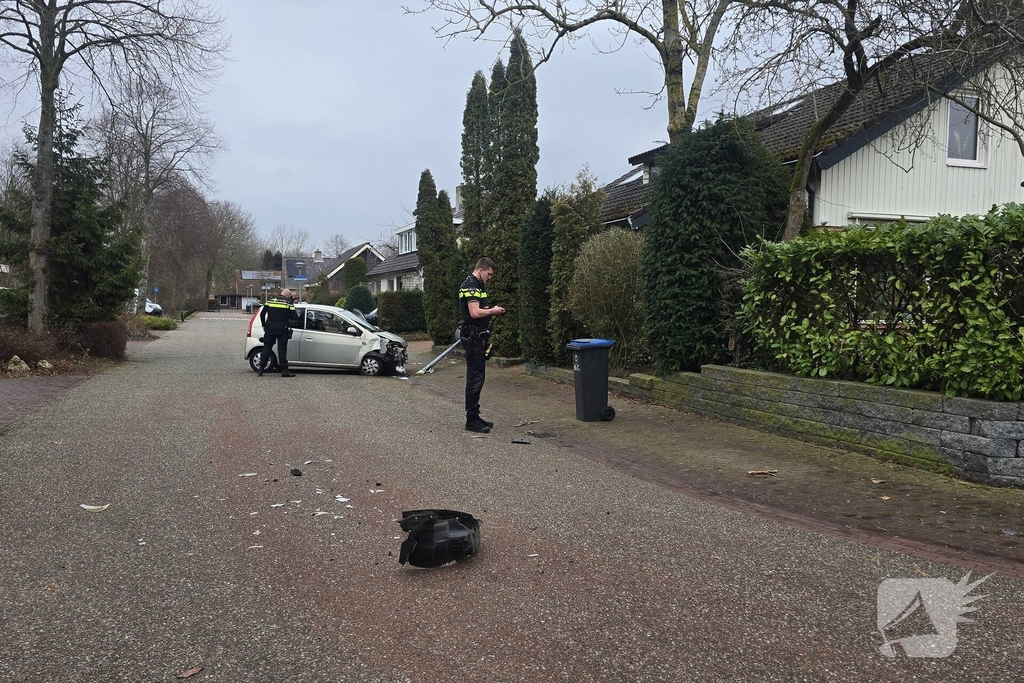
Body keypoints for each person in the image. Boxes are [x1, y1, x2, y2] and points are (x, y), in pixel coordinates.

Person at [458, 257, 505, 433]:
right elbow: (475, 312)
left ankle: (475, 416)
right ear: (481, 270)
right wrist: (493, 311)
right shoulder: (471, 285)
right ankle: (471, 420)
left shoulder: (476, 285)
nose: (489, 278)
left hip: (477, 336)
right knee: (475, 378)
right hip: (473, 337)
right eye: (489, 274)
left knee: (477, 377)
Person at [258, 288, 301, 377]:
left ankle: (261, 368)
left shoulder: (270, 301)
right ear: (288, 295)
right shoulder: (288, 303)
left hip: (270, 328)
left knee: (267, 348)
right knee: (282, 350)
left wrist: (264, 325)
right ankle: (284, 371)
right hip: (282, 328)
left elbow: (262, 314)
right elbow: (295, 317)